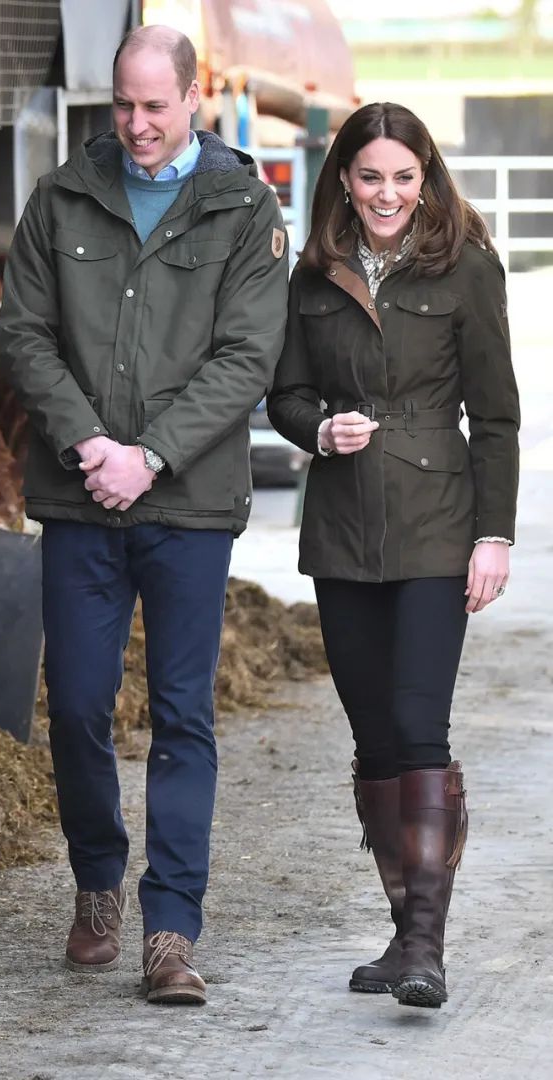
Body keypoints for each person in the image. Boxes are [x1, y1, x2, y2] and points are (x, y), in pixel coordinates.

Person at [0, 24, 288, 1004]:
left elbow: (247, 356)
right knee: (76, 704)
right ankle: (96, 883)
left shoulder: (244, 208)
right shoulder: (63, 195)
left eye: (155, 106)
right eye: (123, 105)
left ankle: (171, 926)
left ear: (192, 100)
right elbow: (24, 334)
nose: (136, 125)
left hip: (190, 504)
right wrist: (92, 447)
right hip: (80, 496)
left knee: (181, 713)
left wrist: (151, 455)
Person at [268, 102, 520, 1009]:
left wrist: (493, 535)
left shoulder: (467, 269)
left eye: (404, 178)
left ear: (426, 178)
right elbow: (284, 394)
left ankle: (425, 946)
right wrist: (316, 427)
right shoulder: (312, 276)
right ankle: (401, 930)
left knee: (419, 730)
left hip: (435, 525)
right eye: (371, 177)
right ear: (345, 177)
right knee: (374, 740)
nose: (387, 195)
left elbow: (496, 416)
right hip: (340, 530)